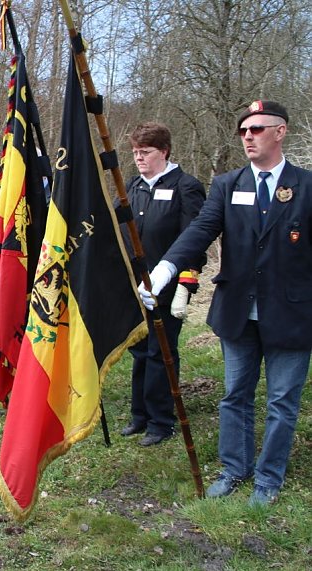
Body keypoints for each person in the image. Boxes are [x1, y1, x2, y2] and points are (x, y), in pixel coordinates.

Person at [141, 100, 312, 506]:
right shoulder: (228, 184)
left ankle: (268, 478)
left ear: (280, 132)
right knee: (235, 395)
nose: (248, 137)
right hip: (238, 310)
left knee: (282, 401)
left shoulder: (306, 186)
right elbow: (201, 229)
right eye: (243, 131)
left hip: (292, 314)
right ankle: (234, 468)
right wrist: (167, 266)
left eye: (257, 129)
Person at [118, 122, 206, 447]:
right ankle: (140, 415)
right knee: (140, 349)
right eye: (135, 152)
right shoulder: (132, 186)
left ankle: (161, 421)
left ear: (164, 152)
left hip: (167, 287)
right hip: (135, 286)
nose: (139, 158)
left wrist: (186, 284)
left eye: (146, 152)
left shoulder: (186, 186)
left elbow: (194, 239)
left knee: (161, 351)